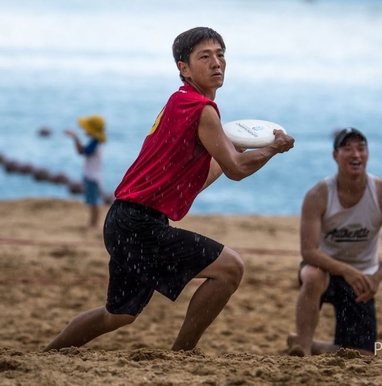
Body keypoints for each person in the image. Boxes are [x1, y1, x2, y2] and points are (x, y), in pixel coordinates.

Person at [43, 26, 294, 352]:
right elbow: (236, 171)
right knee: (230, 269)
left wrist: (240, 149)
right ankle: (183, 353)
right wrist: (272, 148)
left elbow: (206, 175)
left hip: (123, 220)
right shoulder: (200, 109)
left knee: (117, 315)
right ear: (183, 68)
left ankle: (48, 354)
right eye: (205, 57)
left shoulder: (180, 102)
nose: (216, 63)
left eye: (221, 55)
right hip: (138, 225)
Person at [288, 127, 382, 356]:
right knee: (312, 276)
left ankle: (316, 345)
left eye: (361, 148)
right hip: (325, 269)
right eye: (347, 148)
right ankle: (302, 347)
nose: (356, 154)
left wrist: (376, 278)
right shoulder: (318, 195)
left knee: (362, 356)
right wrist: (345, 270)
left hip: (362, 277)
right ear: (335, 156)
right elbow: (308, 252)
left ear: (368, 155)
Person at [64, 114, 106, 228]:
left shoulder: (96, 143)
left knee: (94, 201)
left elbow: (82, 151)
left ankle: (94, 223)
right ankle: (93, 222)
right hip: (92, 175)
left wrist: (75, 137)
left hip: (92, 176)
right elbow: (82, 151)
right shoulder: (96, 142)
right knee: (92, 200)